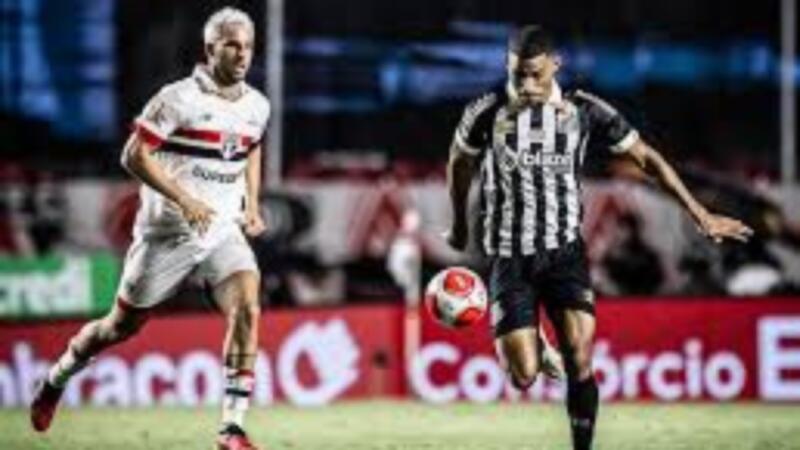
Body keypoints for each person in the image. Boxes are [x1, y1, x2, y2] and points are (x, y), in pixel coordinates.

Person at [445, 25, 752, 450]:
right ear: (507, 67)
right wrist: (460, 224)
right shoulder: (486, 111)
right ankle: (538, 347)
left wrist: (700, 214)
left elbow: (646, 158)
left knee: (579, 356)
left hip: (564, 254)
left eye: (536, 74)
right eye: (518, 74)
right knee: (523, 375)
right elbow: (459, 162)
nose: (527, 84)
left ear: (556, 65)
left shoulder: (585, 110)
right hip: (510, 258)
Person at [30, 7, 269, 450]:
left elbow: (251, 147)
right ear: (210, 48)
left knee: (248, 308)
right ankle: (56, 378)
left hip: (221, 230)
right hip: (167, 235)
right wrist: (185, 200)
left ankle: (231, 430)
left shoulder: (257, 104)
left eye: (248, 46)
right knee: (118, 328)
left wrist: (251, 204)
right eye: (232, 45)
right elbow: (133, 155)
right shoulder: (177, 98)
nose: (242, 55)